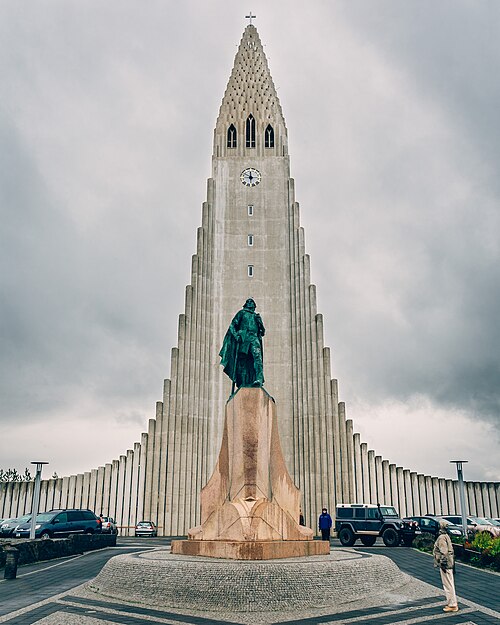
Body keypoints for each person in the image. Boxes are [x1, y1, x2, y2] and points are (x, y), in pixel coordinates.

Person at [219, 298, 265, 392]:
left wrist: (260, 322)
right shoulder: (241, 313)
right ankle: (242, 382)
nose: (250, 303)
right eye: (248, 302)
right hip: (244, 339)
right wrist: (236, 336)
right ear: (245, 304)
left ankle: (259, 379)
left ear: (254, 305)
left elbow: (263, 332)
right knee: (242, 361)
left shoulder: (256, 317)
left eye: (252, 302)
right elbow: (232, 325)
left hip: (254, 338)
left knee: (257, 358)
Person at [433, 519, 459, 612]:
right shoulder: (446, 536)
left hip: (446, 564)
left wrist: (443, 564)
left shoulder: (441, 538)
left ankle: (452, 604)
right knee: (450, 583)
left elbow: (444, 552)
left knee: (448, 584)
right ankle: (453, 602)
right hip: (450, 563)